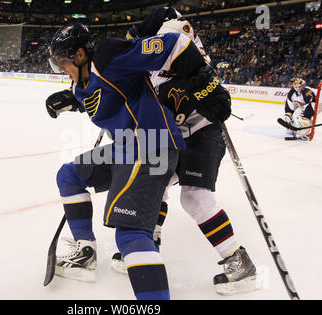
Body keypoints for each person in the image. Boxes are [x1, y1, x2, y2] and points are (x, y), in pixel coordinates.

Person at [45, 21, 224, 299]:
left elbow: (175, 43)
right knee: (69, 175)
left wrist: (203, 78)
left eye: (63, 61)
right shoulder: (83, 80)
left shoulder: (108, 56)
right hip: (127, 148)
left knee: (130, 233)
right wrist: (70, 101)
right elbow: (105, 95)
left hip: (153, 143)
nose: (61, 68)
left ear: (81, 54)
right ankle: (86, 251)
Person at [110, 7, 258, 296]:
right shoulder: (149, 55)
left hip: (202, 130)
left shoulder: (174, 32)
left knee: (194, 196)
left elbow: (186, 54)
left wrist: (207, 89)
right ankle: (150, 240)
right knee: (156, 184)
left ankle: (238, 260)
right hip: (174, 134)